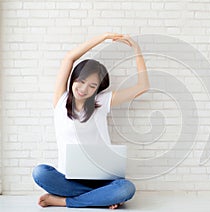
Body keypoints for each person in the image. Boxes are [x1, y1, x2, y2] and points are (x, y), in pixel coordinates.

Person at [32, 32, 150, 209]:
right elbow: (69, 58)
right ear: (74, 78)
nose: (84, 89)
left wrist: (137, 50)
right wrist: (103, 38)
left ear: (98, 89)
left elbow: (143, 86)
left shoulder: (101, 102)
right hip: (69, 180)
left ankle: (65, 201)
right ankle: (101, 199)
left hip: (102, 181)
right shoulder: (60, 101)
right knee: (40, 173)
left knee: (125, 188)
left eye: (93, 86)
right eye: (81, 81)